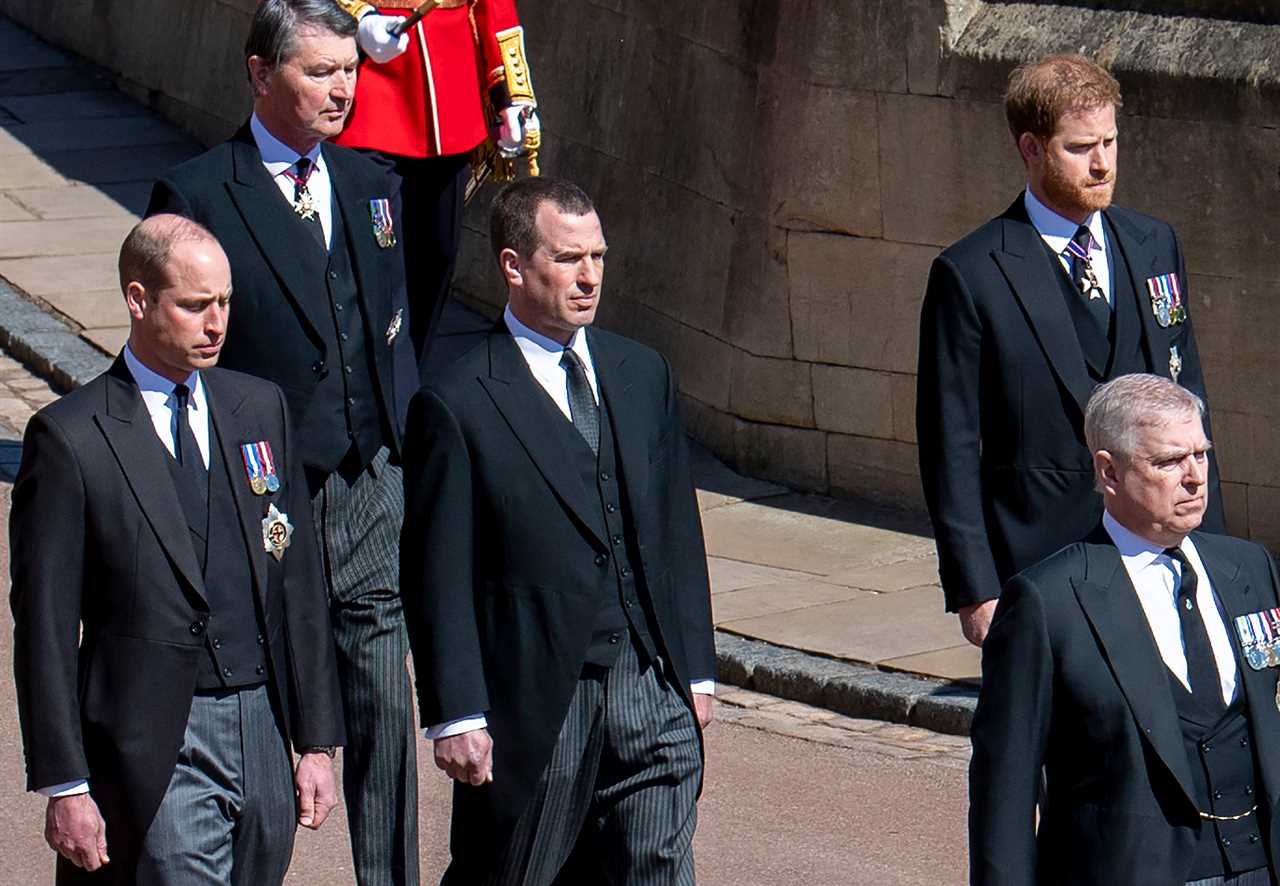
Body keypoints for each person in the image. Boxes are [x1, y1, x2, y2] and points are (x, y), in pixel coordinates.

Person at [145, 2, 418, 883]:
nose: (342, 89)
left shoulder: (374, 183)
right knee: (266, 710)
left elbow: (390, 334)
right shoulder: (199, 192)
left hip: (368, 481)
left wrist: (401, 448)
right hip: (264, 490)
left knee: (382, 695)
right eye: (319, 72)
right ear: (262, 74)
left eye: (350, 71)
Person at [10, 214, 344, 885]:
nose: (216, 323)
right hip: (154, 738)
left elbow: (299, 585)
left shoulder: (259, 407)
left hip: (259, 724)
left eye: (223, 303)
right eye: (195, 306)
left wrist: (316, 741)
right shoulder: (72, 438)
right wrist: (66, 785)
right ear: (139, 300)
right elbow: (45, 627)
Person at [400, 177, 716, 884]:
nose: (590, 276)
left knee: (657, 864)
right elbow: (436, 574)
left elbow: (673, 531)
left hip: (649, 685)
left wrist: (693, 667)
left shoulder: (643, 374)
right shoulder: (457, 401)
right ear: (514, 265)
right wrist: (455, 713)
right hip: (540, 698)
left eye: (598, 257)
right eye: (569, 258)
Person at [916, 53, 1224, 648]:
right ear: (1031, 148)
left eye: (1110, 141)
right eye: (1081, 147)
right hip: (1039, 560)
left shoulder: (1154, 244)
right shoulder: (972, 273)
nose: (1103, 163)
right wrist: (975, 587)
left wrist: (1209, 543)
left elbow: (1193, 403)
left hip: (1160, 549)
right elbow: (948, 443)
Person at [970, 373, 1279, 886]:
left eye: (1200, 455)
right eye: (1168, 461)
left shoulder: (1249, 569)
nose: (1195, 477)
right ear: (1109, 472)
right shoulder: (1049, 601)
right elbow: (1005, 784)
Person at [334, 0, 540, 378]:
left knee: (434, 258)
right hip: (370, 91)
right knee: (373, 260)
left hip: (451, 94)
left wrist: (509, 94)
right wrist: (356, 20)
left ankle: (407, 391)